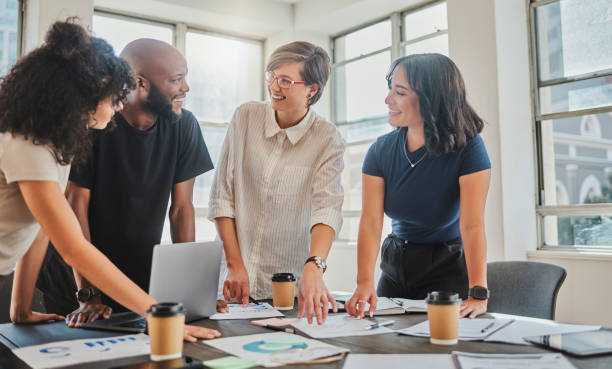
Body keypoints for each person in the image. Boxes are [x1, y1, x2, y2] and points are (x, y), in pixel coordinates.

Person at [0, 20, 219, 341]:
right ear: (83, 99)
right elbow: (73, 247)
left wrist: (20, 309)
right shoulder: (28, 144)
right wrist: (159, 315)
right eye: (113, 98)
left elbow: (41, 227)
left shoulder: (54, 144)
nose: (119, 105)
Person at [345, 53, 491, 319]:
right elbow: (370, 221)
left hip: (447, 267)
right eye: (390, 90)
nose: (388, 100)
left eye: (399, 92)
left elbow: (472, 224)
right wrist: (363, 281)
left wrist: (478, 293)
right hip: (395, 264)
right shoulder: (380, 150)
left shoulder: (469, 147)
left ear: (431, 99)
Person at [209, 41, 345, 325]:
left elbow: (327, 209)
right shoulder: (245, 117)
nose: (274, 85)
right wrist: (235, 265)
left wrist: (315, 266)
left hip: (287, 289)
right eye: (271, 75)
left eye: (285, 80)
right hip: (233, 280)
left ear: (312, 89)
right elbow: (222, 197)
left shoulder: (327, 138)